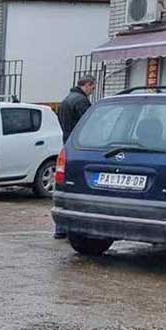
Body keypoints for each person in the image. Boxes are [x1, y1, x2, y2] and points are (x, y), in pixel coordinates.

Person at [53, 75, 96, 239]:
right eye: (92, 88)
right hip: (82, 148)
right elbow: (89, 125)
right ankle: (69, 228)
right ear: (87, 85)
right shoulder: (81, 102)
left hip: (69, 146)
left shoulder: (66, 100)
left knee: (67, 187)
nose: (92, 91)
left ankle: (61, 228)